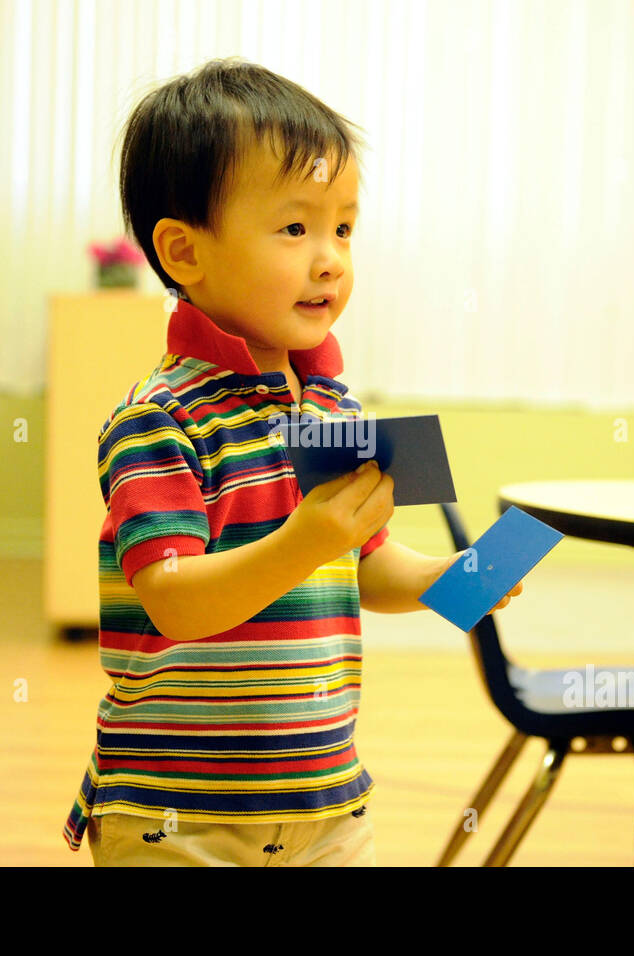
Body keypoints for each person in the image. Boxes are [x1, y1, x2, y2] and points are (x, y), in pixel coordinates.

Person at [62, 57, 521, 866]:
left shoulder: (328, 406)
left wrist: (453, 578)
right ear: (185, 251)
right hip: (181, 815)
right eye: (296, 228)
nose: (332, 257)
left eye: (344, 228)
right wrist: (303, 541)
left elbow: (359, 567)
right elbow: (172, 601)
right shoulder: (157, 419)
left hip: (325, 805)